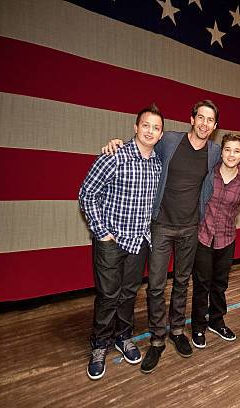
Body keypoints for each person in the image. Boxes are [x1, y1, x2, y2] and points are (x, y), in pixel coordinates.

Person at [102, 100, 221, 374]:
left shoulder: (214, 151)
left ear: (215, 127)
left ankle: (177, 330)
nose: (204, 123)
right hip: (161, 226)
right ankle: (157, 337)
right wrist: (116, 143)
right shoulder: (169, 140)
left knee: (182, 282)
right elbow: (143, 140)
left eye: (210, 120)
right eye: (200, 117)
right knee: (155, 285)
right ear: (191, 119)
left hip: (191, 227)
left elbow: (233, 163)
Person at [79, 104, 164, 380]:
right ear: (135, 127)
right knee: (108, 295)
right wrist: (101, 232)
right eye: (146, 125)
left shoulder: (158, 164)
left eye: (156, 127)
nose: (150, 131)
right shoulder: (114, 156)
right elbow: (86, 194)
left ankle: (123, 336)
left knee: (129, 293)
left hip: (139, 241)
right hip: (111, 241)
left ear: (161, 135)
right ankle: (100, 344)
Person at [190, 133, 240, 349]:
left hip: (226, 239)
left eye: (236, 151)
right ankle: (198, 325)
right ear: (221, 151)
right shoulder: (208, 173)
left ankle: (217, 321)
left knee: (219, 284)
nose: (231, 154)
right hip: (203, 237)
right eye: (227, 149)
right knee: (201, 284)